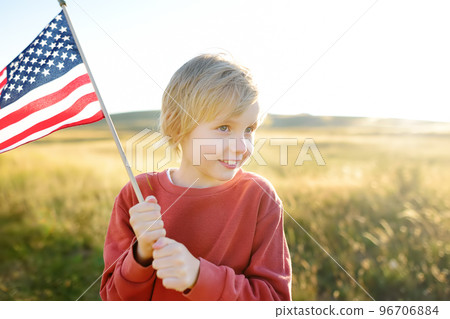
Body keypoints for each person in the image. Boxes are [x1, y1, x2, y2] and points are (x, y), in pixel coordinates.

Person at [100, 53, 292, 300]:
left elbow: (275, 301)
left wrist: (199, 277)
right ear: (178, 125)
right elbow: (114, 298)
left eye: (249, 130)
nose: (242, 147)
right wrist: (141, 254)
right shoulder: (137, 194)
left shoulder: (259, 196)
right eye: (224, 128)